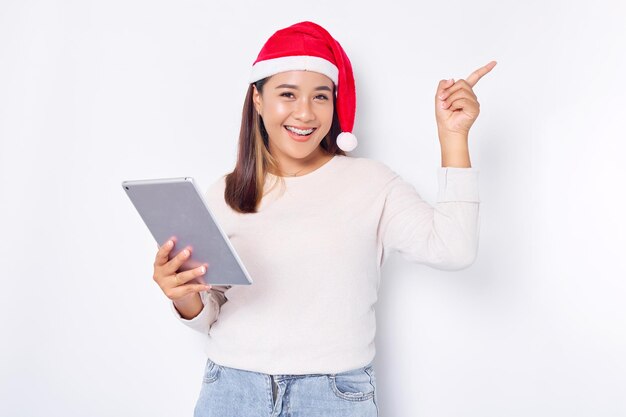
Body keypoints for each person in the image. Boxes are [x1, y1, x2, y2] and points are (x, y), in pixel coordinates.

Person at [151, 21, 495, 417]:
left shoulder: (372, 183)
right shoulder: (224, 193)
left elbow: (454, 249)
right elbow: (210, 314)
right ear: (258, 100)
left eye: (320, 96)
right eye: (287, 94)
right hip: (230, 390)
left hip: (332, 397)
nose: (305, 113)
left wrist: (453, 138)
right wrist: (184, 296)